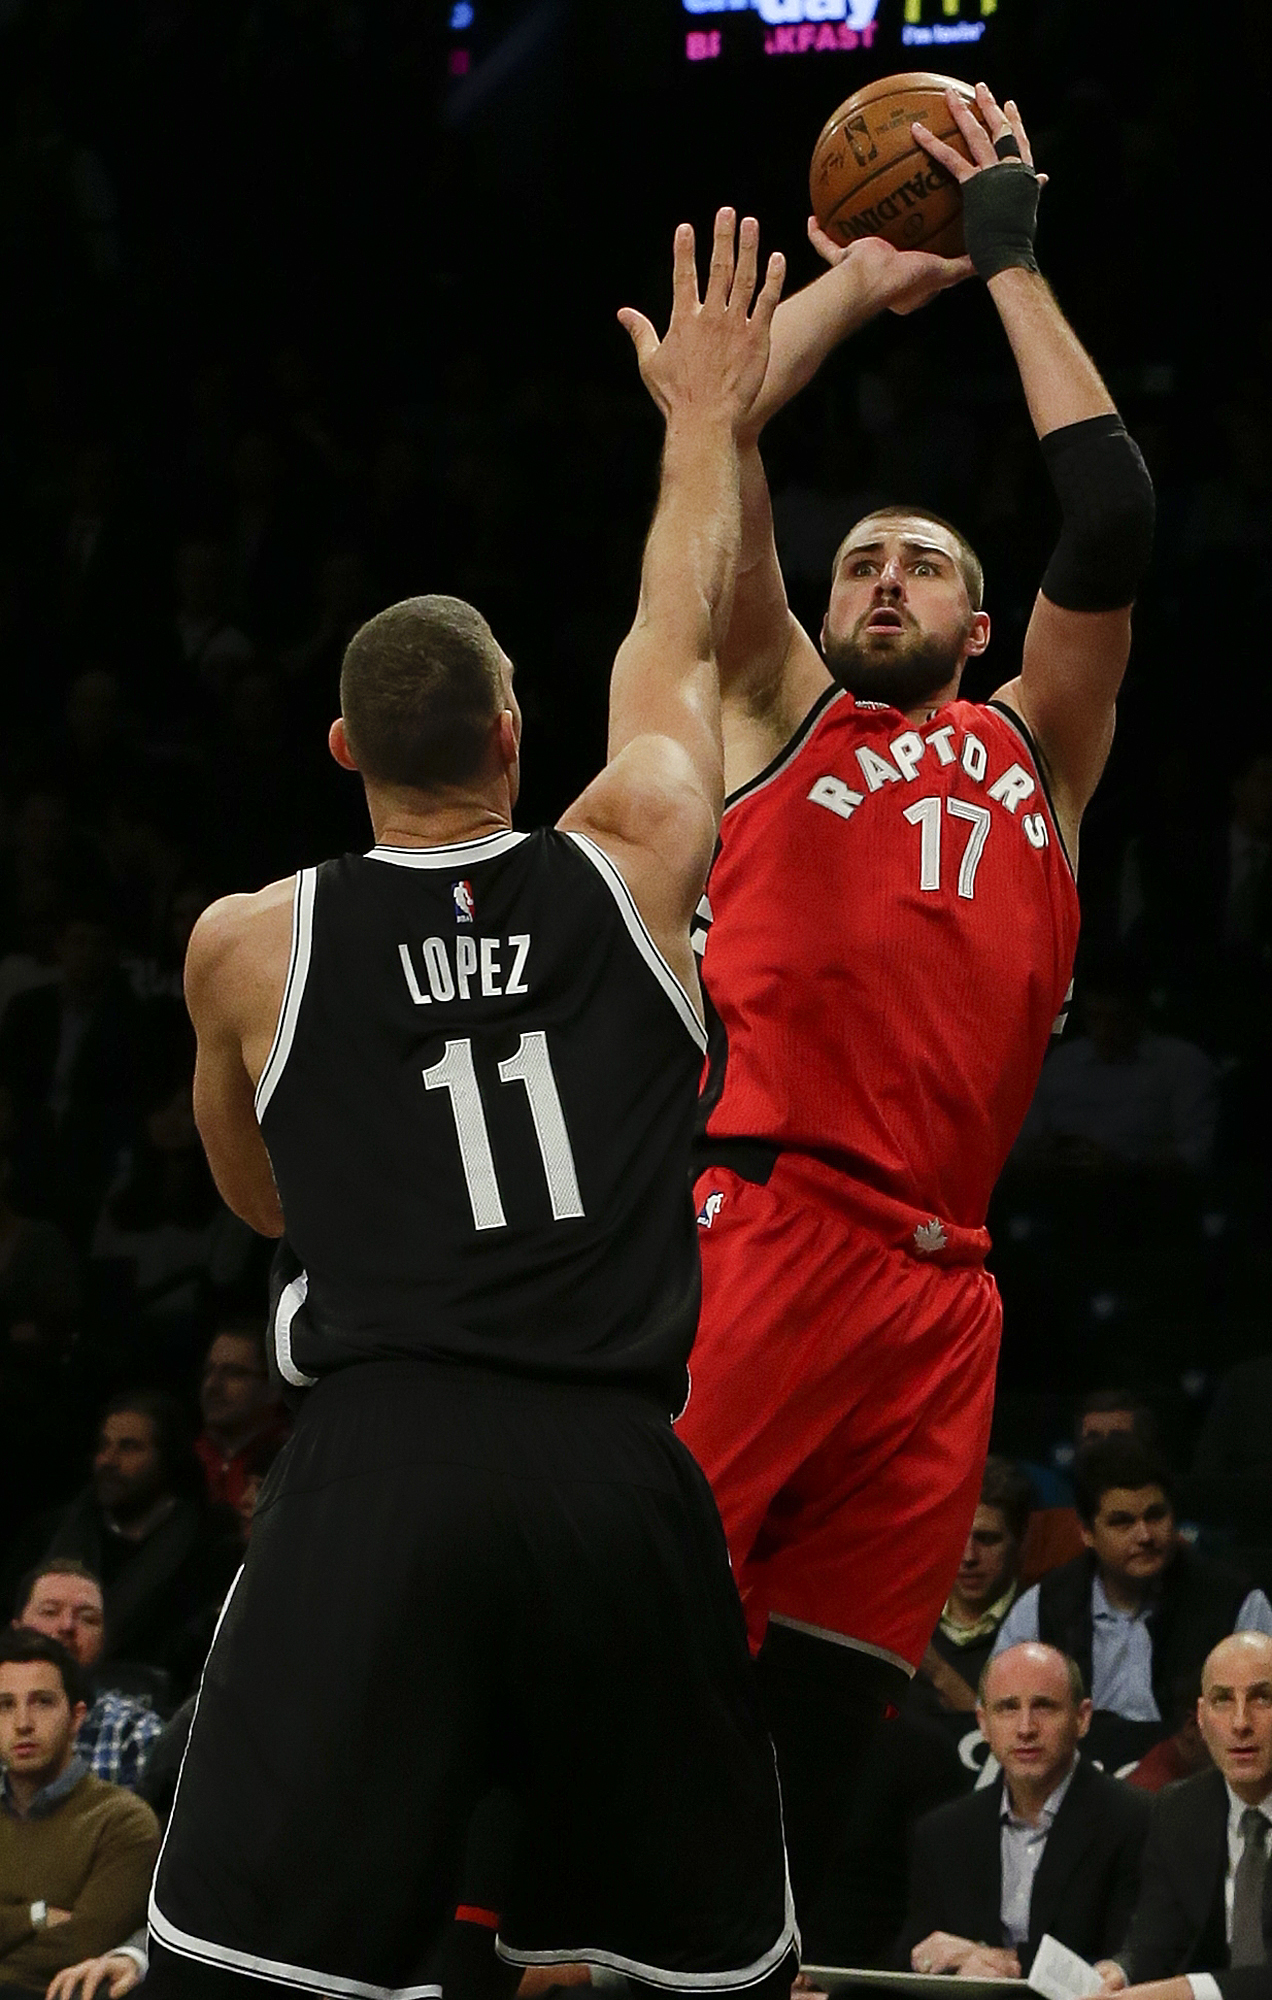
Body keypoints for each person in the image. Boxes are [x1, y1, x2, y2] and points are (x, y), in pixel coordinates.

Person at [144, 213, 798, 2000]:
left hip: (383, 1466)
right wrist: (699, 416)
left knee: (244, 1969)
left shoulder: (247, 947)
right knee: (697, 1974)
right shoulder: (639, 847)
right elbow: (677, 633)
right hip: (610, 1469)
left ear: (344, 750)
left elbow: (264, 1202)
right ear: (518, 735)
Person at [661, 81, 1156, 1904]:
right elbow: (710, 442)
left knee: (829, 1703)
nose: (878, 575)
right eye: (857, 556)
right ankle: (514, 1939)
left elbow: (1106, 509)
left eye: (920, 564)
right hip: (772, 1219)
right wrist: (861, 282)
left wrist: (1009, 263)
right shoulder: (774, 712)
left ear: (975, 626)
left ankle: (726, 1940)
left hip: (945, 1283)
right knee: (641, 1635)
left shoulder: (1042, 747)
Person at [993, 1437, 1272, 1770]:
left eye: (1155, 1516)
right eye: (1122, 1522)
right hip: (1079, 1789)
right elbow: (1001, 1714)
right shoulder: (1045, 1605)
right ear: (1086, 1532)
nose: (1144, 1535)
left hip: (1198, 1785)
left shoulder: (1235, 1602)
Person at [898, 1642, 1149, 1977]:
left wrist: (1000, 1962)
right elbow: (916, 1955)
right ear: (983, 1723)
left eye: (1044, 1707)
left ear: (1082, 1718)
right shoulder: (943, 1833)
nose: (1026, 1728)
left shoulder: (1136, 1819)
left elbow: (1130, 1963)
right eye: (1007, 1708)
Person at [3, 1390, 241, 1680]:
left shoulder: (208, 1552)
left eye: (129, 1447)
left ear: (167, 1458)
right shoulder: (47, 1535)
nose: (108, 1460)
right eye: (104, 1446)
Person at [1096, 1631, 1272, 1998]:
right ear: (1202, 1720)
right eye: (1223, 1700)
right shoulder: (1180, 1809)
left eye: (1262, 1698)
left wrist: (1188, 1991)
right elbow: (1155, 1940)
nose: (1241, 1722)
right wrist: (1120, 1973)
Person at [0, 1628, 160, 1994]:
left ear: (76, 1717)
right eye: (5, 1705)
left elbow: (82, 1946)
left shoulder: (121, 1821)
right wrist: (34, 1916)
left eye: (42, 1701)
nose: (23, 1722)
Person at [13, 1561, 164, 1788]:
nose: (67, 1626)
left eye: (87, 1618)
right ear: (17, 1628)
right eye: (50, 1611)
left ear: (103, 1641)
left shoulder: (136, 1733)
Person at [912, 1455, 1034, 1730]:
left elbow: (1014, 1738)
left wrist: (939, 1673)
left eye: (987, 1539)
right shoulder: (908, 1618)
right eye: (957, 1537)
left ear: (1022, 1540)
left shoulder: (1043, 1624)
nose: (968, 1557)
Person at [193, 1320, 289, 1512]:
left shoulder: (292, 1460)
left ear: (273, 1388)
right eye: (209, 1371)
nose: (212, 1385)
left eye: (233, 1373)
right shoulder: (185, 1459)